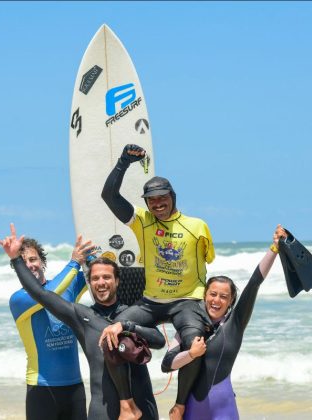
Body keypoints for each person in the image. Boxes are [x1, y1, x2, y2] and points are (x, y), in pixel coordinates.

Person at [0, 224, 165, 420]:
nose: (101, 282)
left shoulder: (133, 313)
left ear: (117, 281)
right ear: (89, 283)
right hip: (83, 401)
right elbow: (41, 294)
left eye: (107, 277)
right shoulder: (81, 317)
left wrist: (126, 325)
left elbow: (159, 340)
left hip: (134, 404)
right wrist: (16, 259)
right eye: (95, 279)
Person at [100, 144, 215, 419]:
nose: (157, 204)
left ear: (172, 197)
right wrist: (124, 162)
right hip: (151, 302)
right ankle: (128, 406)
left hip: (187, 301)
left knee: (195, 344)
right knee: (109, 337)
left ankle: (179, 406)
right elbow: (109, 195)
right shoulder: (143, 221)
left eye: (163, 198)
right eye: (151, 200)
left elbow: (208, 262)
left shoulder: (197, 226)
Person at [161, 225, 286, 420]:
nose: (216, 300)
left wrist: (275, 248)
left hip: (223, 407)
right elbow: (167, 364)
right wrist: (191, 354)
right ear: (205, 295)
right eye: (212, 294)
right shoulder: (190, 326)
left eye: (223, 296)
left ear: (230, 301)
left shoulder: (235, 324)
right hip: (193, 407)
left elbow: (254, 282)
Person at [5, 233, 93, 420]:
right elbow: (48, 294)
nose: (29, 265)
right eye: (23, 261)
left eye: (33, 259)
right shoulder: (19, 300)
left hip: (75, 387)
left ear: (42, 261)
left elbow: (95, 273)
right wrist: (73, 262)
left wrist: (90, 251)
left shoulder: (68, 286)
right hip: (42, 388)